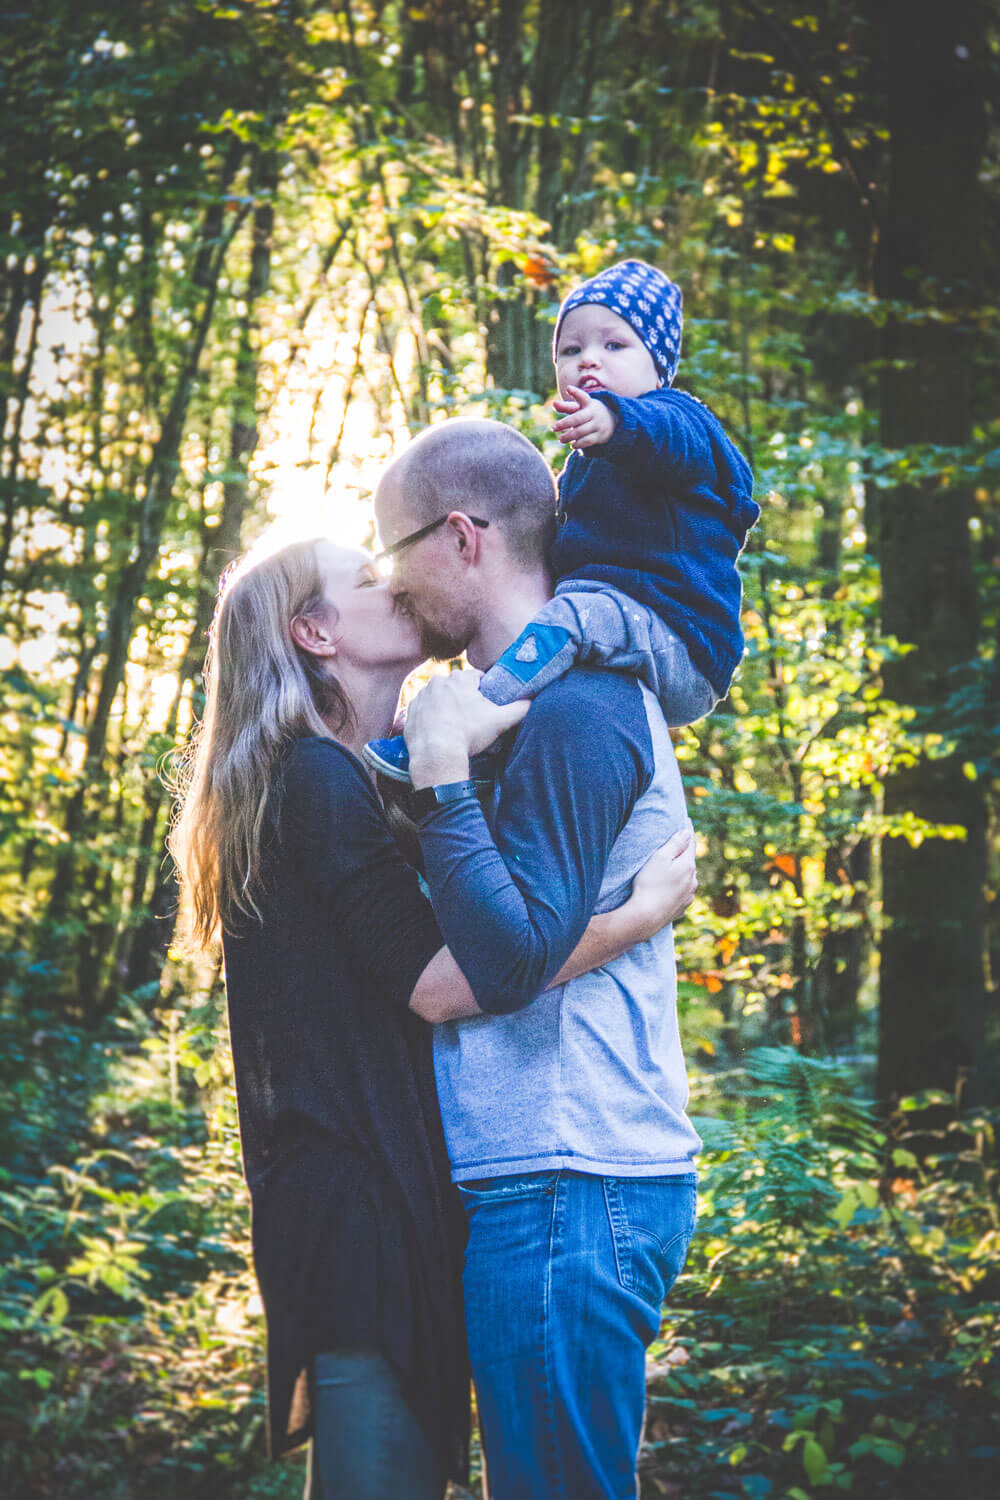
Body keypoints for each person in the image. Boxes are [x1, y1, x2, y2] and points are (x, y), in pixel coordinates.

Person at [168, 535, 698, 1500]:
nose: (394, 580)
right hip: (360, 1205)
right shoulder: (314, 781)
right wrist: (632, 920)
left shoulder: (348, 779)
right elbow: (445, 985)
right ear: (315, 632)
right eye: (365, 580)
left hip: (372, 1188)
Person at [371, 415, 707, 1499]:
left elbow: (510, 965)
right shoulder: (511, 709)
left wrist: (439, 777)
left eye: (394, 553)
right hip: (545, 1175)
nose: (389, 588)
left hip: (572, 1174)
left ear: (462, 537)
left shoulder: (581, 704)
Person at [364, 256, 758, 785]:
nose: (588, 360)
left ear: (657, 363)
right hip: (626, 624)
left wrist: (618, 421)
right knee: (548, 635)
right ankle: (488, 753)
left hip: (682, 636)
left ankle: (466, 724)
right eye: (571, 350)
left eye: (614, 345)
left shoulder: (682, 421)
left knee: (565, 620)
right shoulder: (582, 467)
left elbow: (666, 438)